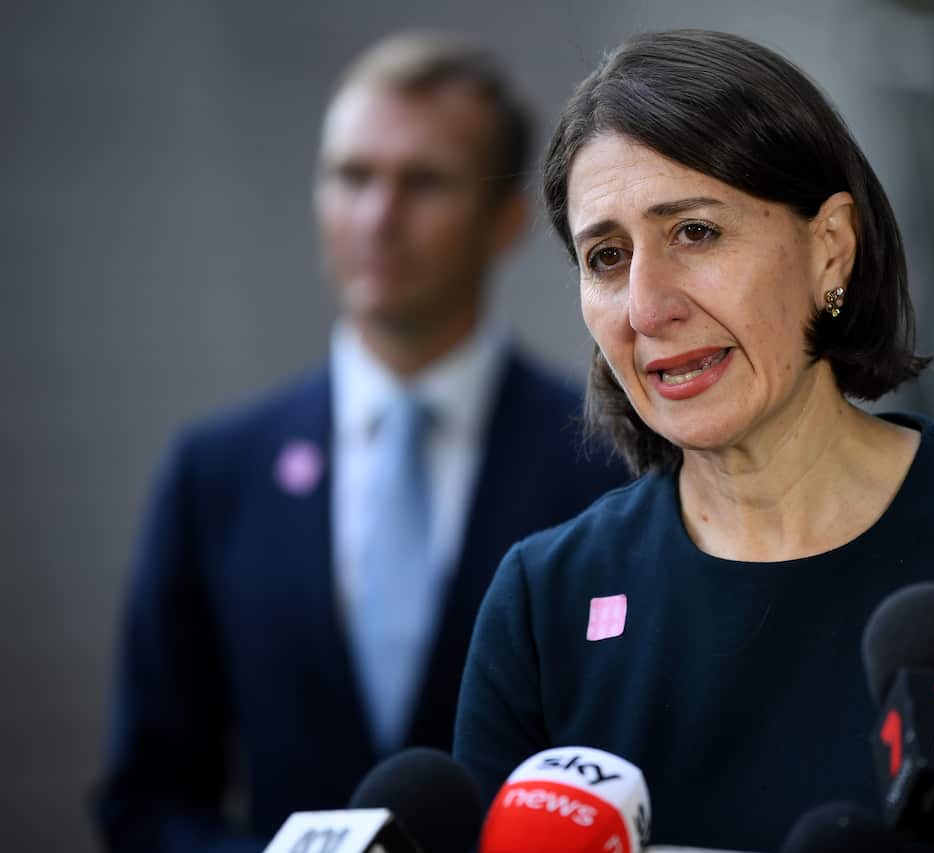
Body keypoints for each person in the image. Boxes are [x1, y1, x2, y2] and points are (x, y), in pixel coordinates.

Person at [454, 28, 934, 852]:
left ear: (830, 249)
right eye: (606, 255)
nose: (646, 304)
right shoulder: (542, 600)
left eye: (694, 232)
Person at [95, 32, 628, 851]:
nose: (378, 216)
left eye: (424, 182)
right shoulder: (216, 474)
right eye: (351, 177)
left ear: (507, 220)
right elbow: (148, 796)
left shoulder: (609, 465)